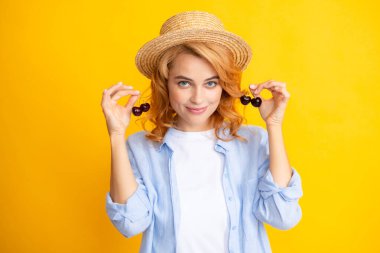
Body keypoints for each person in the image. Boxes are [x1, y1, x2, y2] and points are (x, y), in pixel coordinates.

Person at [101, 10, 303, 253]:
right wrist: (115, 135)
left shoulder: (253, 141)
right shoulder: (139, 147)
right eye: (184, 83)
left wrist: (274, 125)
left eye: (211, 83)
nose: (198, 98)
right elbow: (130, 223)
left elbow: (283, 216)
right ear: (165, 84)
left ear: (223, 86)